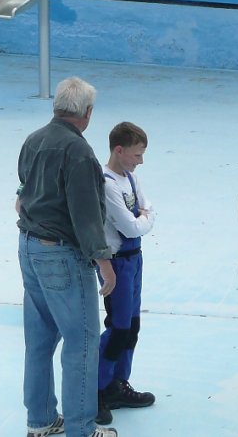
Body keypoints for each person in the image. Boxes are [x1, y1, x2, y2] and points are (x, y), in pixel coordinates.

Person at [16, 77, 118, 437]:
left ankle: (40, 420)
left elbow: (22, 189)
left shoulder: (34, 140)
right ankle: (81, 428)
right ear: (87, 113)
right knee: (83, 342)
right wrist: (104, 263)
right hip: (61, 255)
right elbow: (87, 215)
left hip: (28, 247)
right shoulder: (79, 152)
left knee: (40, 339)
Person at [96, 122, 156, 425]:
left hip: (135, 259)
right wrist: (144, 218)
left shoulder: (130, 178)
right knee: (118, 328)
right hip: (117, 262)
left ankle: (119, 383)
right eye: (137, 155)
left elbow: (149, 208)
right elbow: (131, 226)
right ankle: (98, 388)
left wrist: (145, 216)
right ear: (119, 150)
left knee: (132, 326)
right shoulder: (107, 184)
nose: (140, 161)